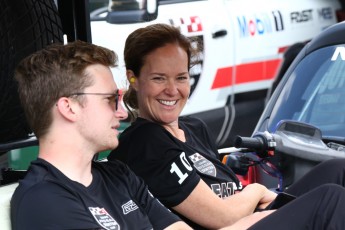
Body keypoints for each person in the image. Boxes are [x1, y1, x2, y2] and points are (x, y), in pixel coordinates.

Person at [108, 23, 345, 229]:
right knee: (330, 200)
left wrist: (258, 200)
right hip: (236, 224)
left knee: (336, 168)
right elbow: (223, 217)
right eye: (159, 78)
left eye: (181, 77)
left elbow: (231, 194)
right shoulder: (144, 143)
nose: (172, 90)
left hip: (256, 216)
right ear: (133, 79)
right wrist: (257, 191)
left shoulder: (195, 128)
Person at [10, 40, 192, 230]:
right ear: (69, 107)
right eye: (111, 100)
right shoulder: (43, 200)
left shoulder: (119, 175)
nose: (122, 113)